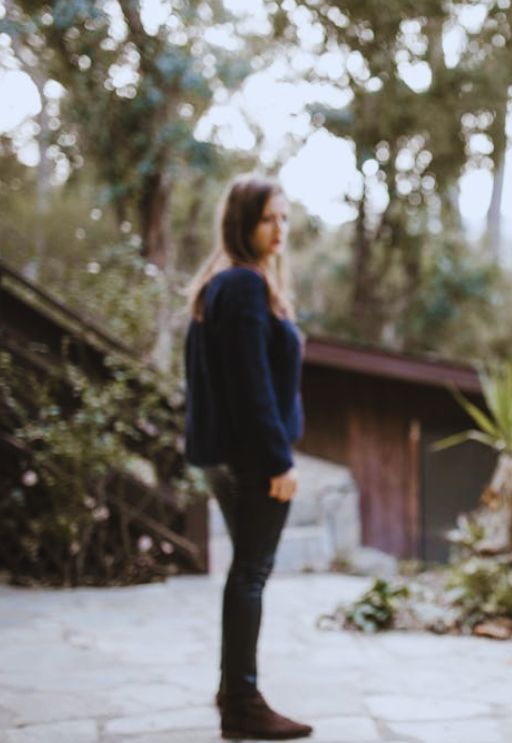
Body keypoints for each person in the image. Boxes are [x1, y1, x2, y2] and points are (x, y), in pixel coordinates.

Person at [184, 173, 312, 740]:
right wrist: (278, 460)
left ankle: (233, 693)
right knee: (250, 574)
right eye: (267, 219)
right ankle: (241, 703)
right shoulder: (241, 286)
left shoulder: (226, 283)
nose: (279, 229)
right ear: (242, 223)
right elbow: (249, 384)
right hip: (251, 460)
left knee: (246, 571)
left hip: (232, 456)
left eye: (284, 217)